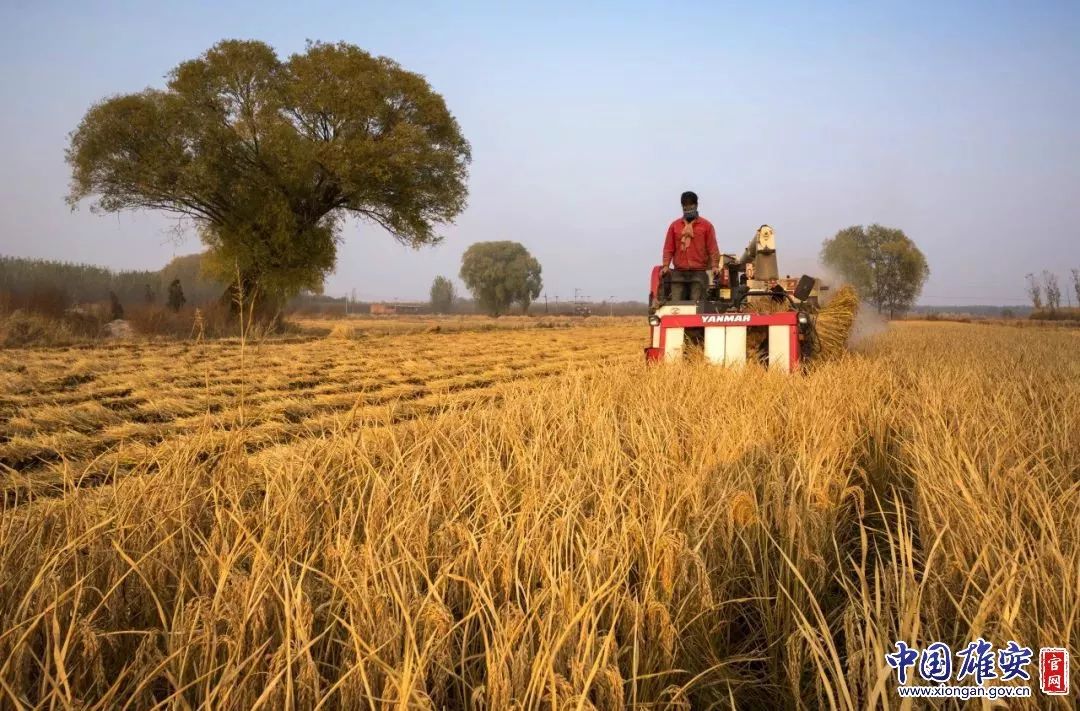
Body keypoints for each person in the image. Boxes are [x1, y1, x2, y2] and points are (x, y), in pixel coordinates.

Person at [661, 191, 720, 300]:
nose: (688, 208)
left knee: (696, 305)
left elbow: (712, 248)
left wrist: (715, 266)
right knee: (676, 305)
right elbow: (669, 248)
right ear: (682, 206)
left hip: (698, 273)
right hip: (679, 273)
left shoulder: (706, 226)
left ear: (696, 205)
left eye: (691, 205)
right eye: (685, 205)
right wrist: (665, 266)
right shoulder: (674, 226)